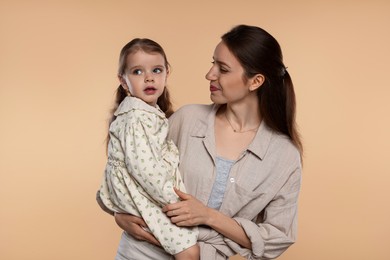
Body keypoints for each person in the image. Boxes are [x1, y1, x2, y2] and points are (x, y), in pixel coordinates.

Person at [101, 24, 303, 259]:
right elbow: (130, 165)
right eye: (213, 63)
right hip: (140, 252)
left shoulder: (284, 156)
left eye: (223, 69)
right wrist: (120, 215)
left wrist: (208, 216)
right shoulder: (187, 119)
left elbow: (277, 237)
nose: (210, 74)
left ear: (255, 81)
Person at [98, 38, 199, 260]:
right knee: (189, 251)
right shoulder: (136, 116)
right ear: (123, 81)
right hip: (147, 195)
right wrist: (174, 203)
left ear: (166, 74)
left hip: (145, 193)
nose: (149, 77)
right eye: (137, 71)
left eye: (156, 70)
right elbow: (144, 168)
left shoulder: (148, 113)